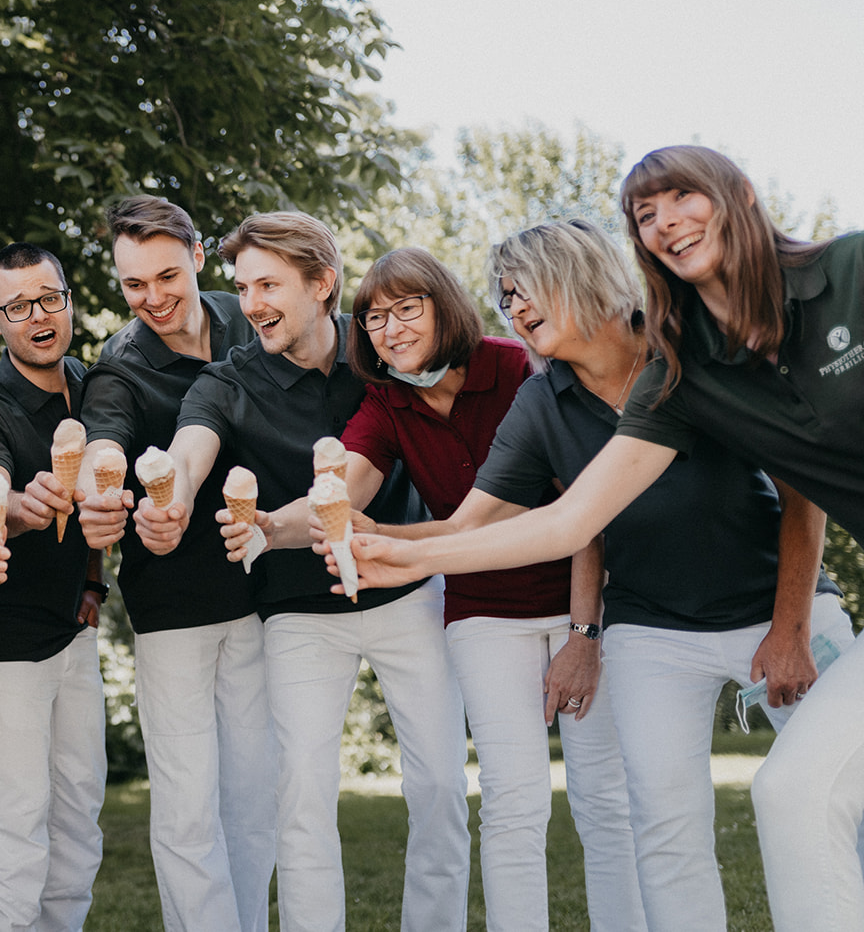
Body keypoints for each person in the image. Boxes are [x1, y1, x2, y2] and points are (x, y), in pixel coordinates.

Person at [347, 146, 864, 932]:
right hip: (655, 626)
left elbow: (800, 489)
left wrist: (791, 623)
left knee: (828, 801)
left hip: (777, 606)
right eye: (504, 299)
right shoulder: (582, 390)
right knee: (677, 823)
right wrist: (396, 545)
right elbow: (532, 523)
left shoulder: (694, 348)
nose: (513, 311)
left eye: (523, 291)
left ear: (574, 272)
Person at [135, 212, 469, 932]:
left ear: (322, 283)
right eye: (243, 286)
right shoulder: (228, 380)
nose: (250, 303)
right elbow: (191, 447)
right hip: (296, 613)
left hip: (402, 586)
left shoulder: (380, 348)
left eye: (267, 284)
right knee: (303, 799)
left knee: (441, 783)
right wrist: (177, 497)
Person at [337, 247, 644, 930]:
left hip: (581, 603)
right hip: (482, 614)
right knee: (512, 800)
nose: (389, 327)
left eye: (406, 308)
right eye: (374, 317)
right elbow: (344, 496)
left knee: (605, 798)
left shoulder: (520, 367)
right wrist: (283, 523)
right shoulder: (385, 402)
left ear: (444, 306)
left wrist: (583, 635)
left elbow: (583, 516)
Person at [74, 195, 275, 932]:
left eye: (166, 274)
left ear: (197, 254)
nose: (153, 297)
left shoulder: (247, 315)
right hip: (173, 608)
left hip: (262, 591)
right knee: (189, 803)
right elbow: (104, 440)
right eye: (133, 284)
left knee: (255, 798)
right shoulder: (119, 366)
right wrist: (100, 489)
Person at [0, 242, 106, 932]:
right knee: (13, 828)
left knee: (79, 818)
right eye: (16, 306)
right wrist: (11, 504)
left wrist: (93, 581)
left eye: (48, 298)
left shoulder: (96, 388)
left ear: (68, 299)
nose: (37, 315)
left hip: (72, 630)